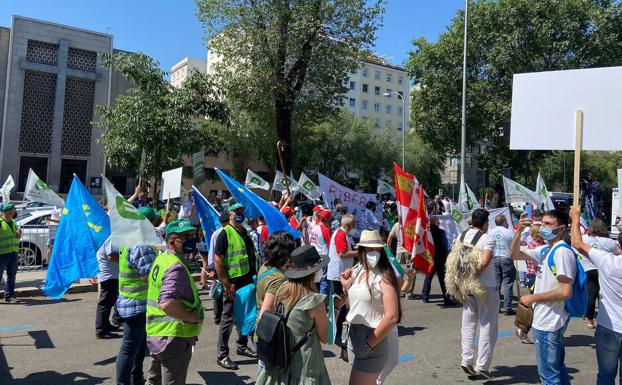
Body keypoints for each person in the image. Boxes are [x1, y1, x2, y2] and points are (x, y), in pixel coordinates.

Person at [509, 210, 575, 385]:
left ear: (561, 229)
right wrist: (518, 231)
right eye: (542, 223)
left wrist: (534, 297)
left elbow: (565, 291)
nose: (542, 227)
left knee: (549, 376)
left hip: (550, 321)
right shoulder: (546, 249)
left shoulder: (561, 253)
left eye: (548, 224)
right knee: (557, 370)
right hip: (546, 319)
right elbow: (514, 254)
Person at [256, 245, 331, 385]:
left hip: (281, 361)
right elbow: (325, 337)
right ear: (313, 272)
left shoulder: (282, 290)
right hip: (305, 365)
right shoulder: (313, 301)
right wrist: (336, 310)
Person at [146, 219, 204, 385]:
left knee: (154, 380)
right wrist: (191, 317)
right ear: (172, 241)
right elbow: (167, 303)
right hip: (173, 336)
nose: (192, 240)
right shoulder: (175, 266)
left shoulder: (162, 258)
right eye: (186, 237)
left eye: (192, 235)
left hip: (157, 334)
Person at [340, 230, 402, 385]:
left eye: (376, 249)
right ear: (361, 251)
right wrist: (346, 287)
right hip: (354, 338)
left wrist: (369, 344)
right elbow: (355, 302)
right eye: (368, 249)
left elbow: (392, 316)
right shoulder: (358, 270)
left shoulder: (384, 276)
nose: (372, 253)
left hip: (371, 342)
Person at [570, 206, 622, 385]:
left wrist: (575, 217)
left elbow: (577, 243)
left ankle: (589, 318)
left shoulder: (610, 262)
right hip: (610, 327)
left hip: (609, 326)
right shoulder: (610, 256)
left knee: (606, 375)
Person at [116, 208, 159, 385]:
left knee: (139, 347)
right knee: (129, 349)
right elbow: (150, 278)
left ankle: (136, 378)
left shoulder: (128, 241)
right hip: (138, 304)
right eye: (155, 222)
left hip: (130, 301)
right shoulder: (142, 246)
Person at [214, 203, 258, 370]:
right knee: (228, 318)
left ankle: (242, 345)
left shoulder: (244, 231)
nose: (241, 214)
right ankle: (222, 354)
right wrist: (226, 283)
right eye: (237, 211)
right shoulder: (225, 234)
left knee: (245, 315)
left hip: (247, 281)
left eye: (242, 211)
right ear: (230, 214)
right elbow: (218, 260)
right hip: (233, 284)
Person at [457, 209, 498, 380]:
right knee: (487, 324)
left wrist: (463, 279)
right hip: (486, 286)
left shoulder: (461, 236)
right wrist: (474, 275)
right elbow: (485, 261)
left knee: (468, 322)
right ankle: (482, 365)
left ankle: (466, 359)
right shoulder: (487, 238)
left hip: (465, 285)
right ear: (486, 223)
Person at [255, 232, 296, 370]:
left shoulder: (266, 266)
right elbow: (266, 313)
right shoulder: (278, 278)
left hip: (260, 335)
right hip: (269, 336)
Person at [327, 214, 358, 359]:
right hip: (338, 276)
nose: (355, 228)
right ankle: (336, 333)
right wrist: (360, 252)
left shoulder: (344, 234)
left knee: (341, 304)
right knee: (339, 304)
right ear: (347, 226)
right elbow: (342, 253)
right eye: (354, 225)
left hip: (341, 274)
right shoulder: (340, 234)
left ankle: (338, 332)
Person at [581, 218, 620, 330]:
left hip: (589, 269)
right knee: (603, 295)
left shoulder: (585, 239)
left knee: (591, 295)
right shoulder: (611, 242)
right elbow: (617, 254)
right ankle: (606, 318)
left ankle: (589, 320)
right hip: (604, 270)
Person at [489, 214, 517, 315]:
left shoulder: (490, 232)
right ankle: (507, 307)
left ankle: (495, 306)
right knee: (508, 283)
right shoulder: (509, 232)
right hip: (506, 258)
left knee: (497, 283)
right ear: (504, 222)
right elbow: (516, 244)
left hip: (494, 258)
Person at [95, 236, 122, 339]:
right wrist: (127, 259)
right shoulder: (114, 238)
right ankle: (101, 330)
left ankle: (106, 325)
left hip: (112, 274)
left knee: (110, 302)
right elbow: (112, 256)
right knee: (105, 304)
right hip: (108, 275)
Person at [422, 216, 452, 305]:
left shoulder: (427, 233)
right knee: (443, 279)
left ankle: (425, 296)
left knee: (428, 277)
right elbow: (445, 246)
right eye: (438, 223)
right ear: (436, 223)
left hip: (430, 257)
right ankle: (447, 299)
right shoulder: (441, 232)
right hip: (440, 258)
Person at [208, 212, 230, 325]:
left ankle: (227, 314)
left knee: (227, 290)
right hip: (218, 266)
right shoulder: (217, 234)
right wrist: (212, 269)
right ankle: (217, 316)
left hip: (228, 266)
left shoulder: (230, 233)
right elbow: (212, 252)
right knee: (218, 291)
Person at [0, 203, 21, 303]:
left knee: (11, 276)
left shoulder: (13, 222)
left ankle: (9, 296)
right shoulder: (0, 222)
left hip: (13, 253)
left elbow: (16, 237)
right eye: (13, 210)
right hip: (2, 254)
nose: (15, 211)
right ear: (7, 212)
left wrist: (19, 234)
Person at [310, 209, 332, 296]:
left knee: (317, 280)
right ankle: (323, 302)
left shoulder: (314, 227)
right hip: (323, 257)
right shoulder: (325, 230)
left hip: (314, 257)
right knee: (324, 281)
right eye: (330, 219)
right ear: (326, 219)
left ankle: (318, 298)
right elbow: (330, 244)